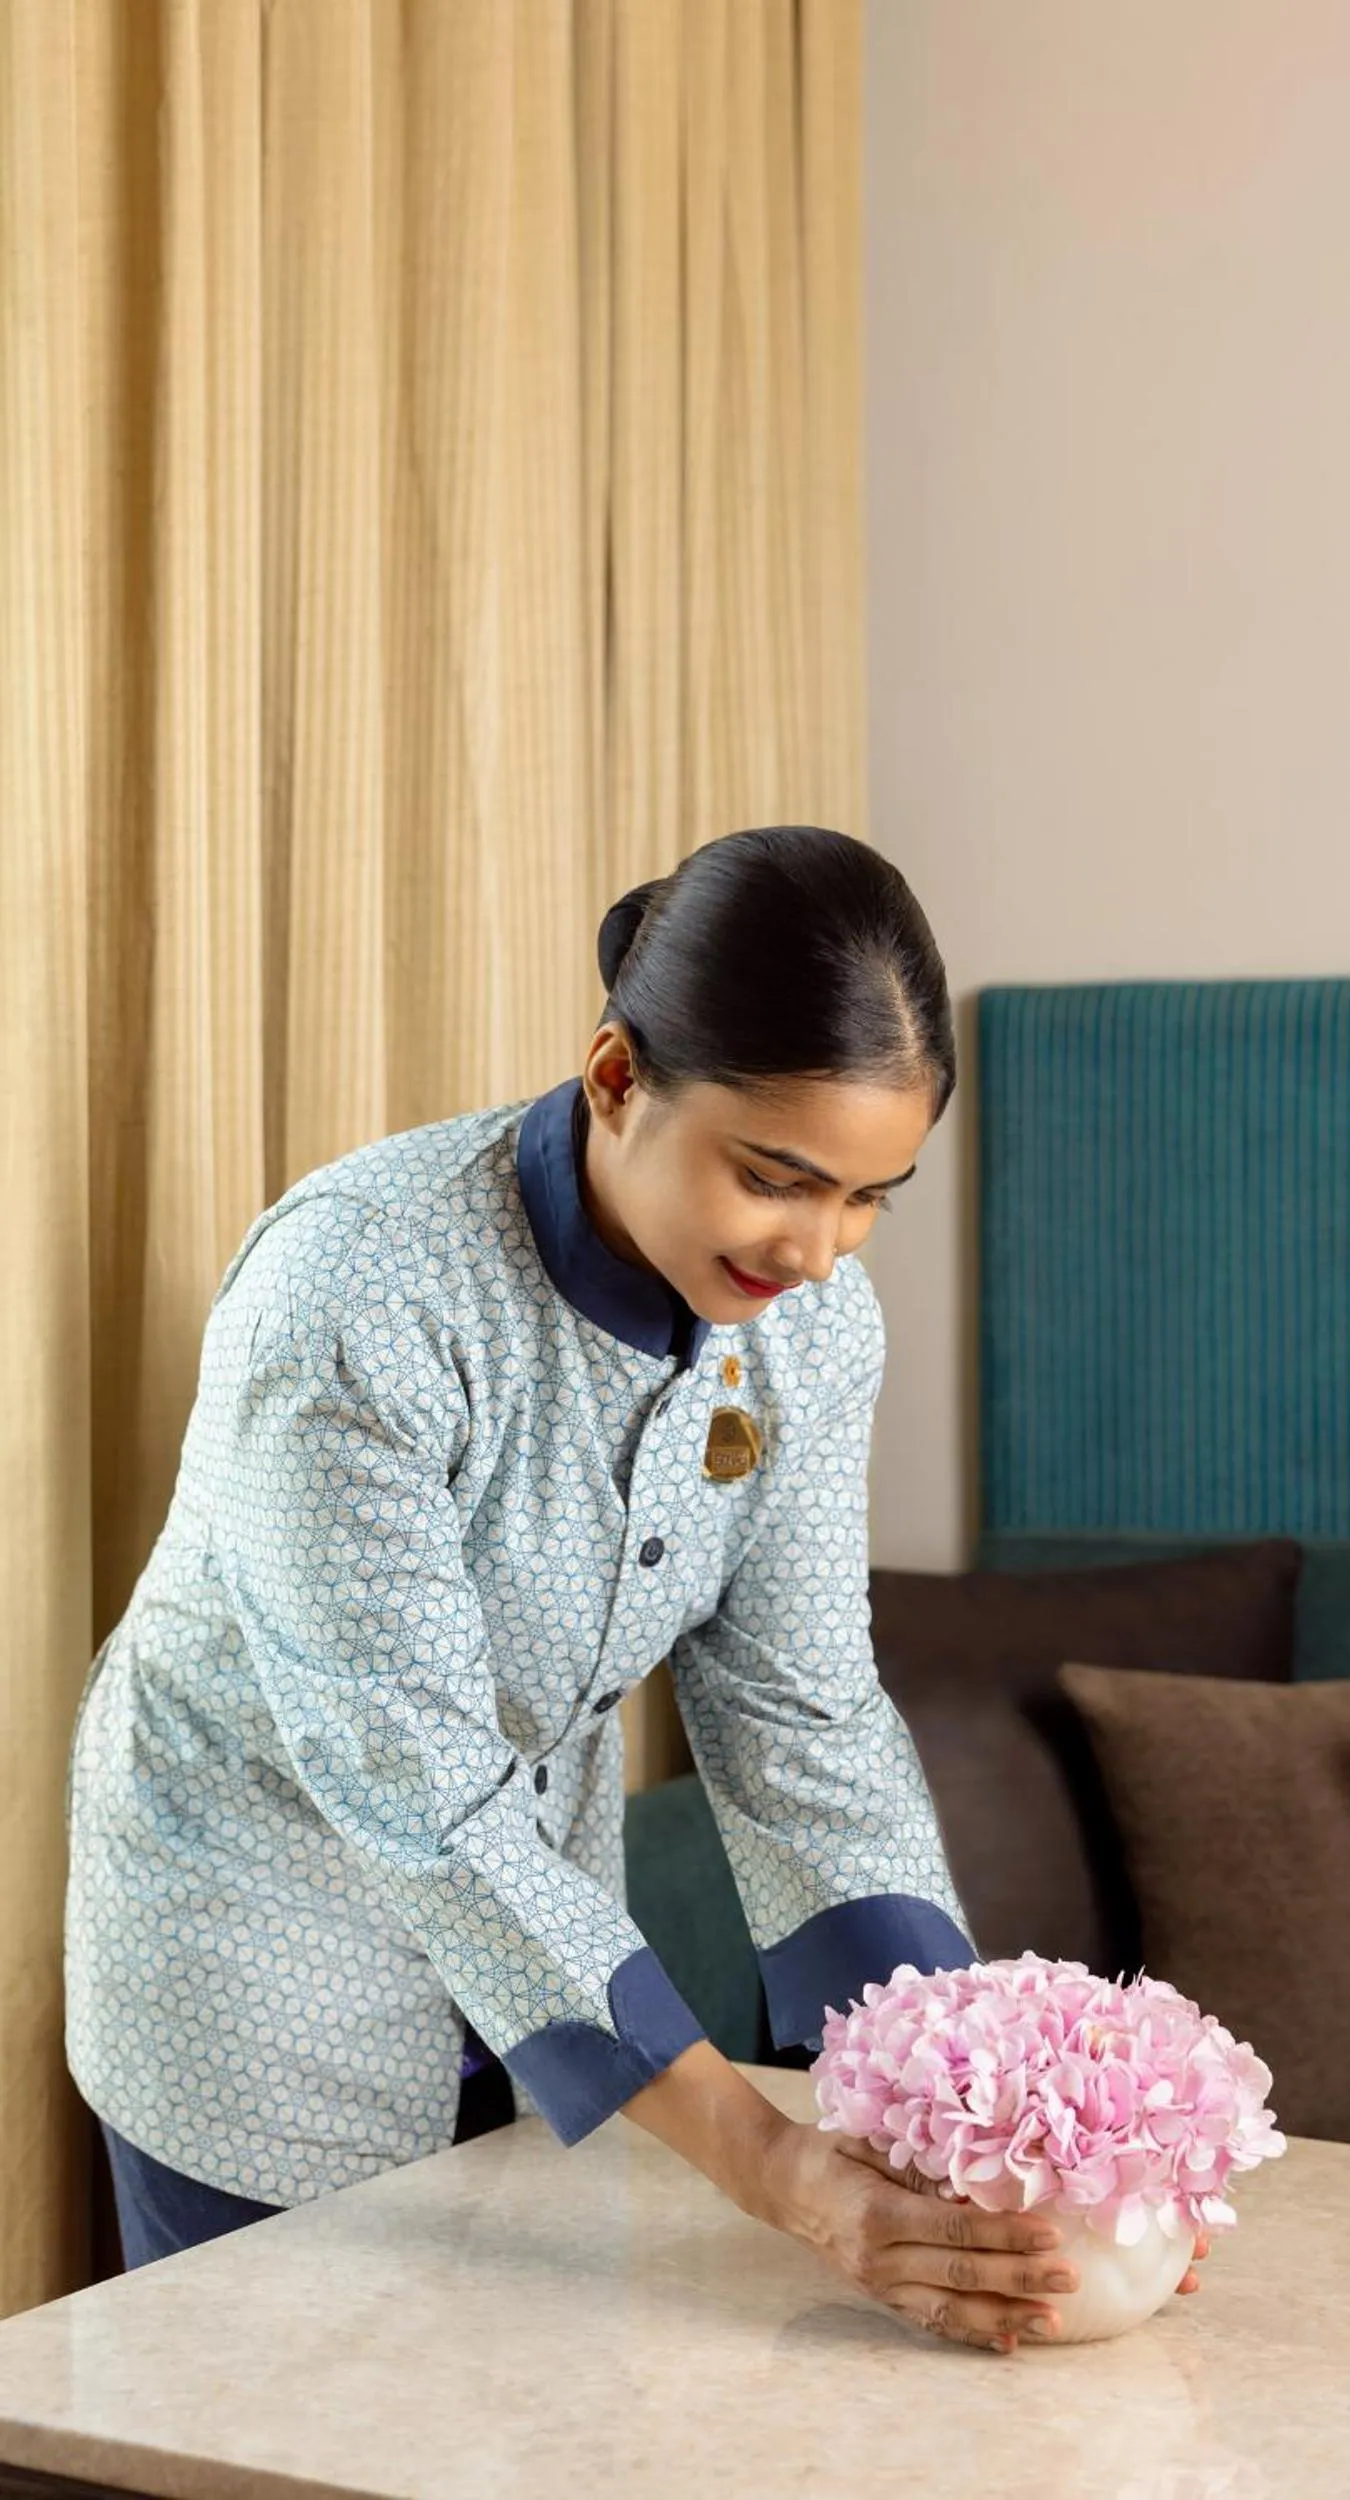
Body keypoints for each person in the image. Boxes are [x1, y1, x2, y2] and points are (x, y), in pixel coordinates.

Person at [65, 825, 1201, 2353]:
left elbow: (797, 1706)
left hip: (544, 1936)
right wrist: (780, 2166)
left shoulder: (810, 1320)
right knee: (288, 2420)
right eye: (774, 1178)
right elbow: (413, 1780)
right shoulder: (356, 1289)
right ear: (615, 1077)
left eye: (871, 1195)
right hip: (262, 1955)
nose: (817, 1248)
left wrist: (980, 2119)